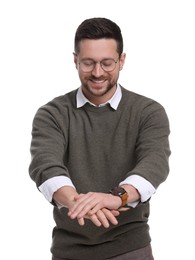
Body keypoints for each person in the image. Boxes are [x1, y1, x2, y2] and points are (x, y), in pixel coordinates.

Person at [29, 17, 171, 260]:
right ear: (75, 60)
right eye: (88, 63)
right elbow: (46, 166)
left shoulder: (148, 111)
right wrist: (78, 202)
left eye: (107, 63)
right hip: (68, 251)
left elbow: (154, 165)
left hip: (130, 248)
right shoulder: (52, 113)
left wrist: (115, 198)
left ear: (122, 60)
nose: (97, 73)